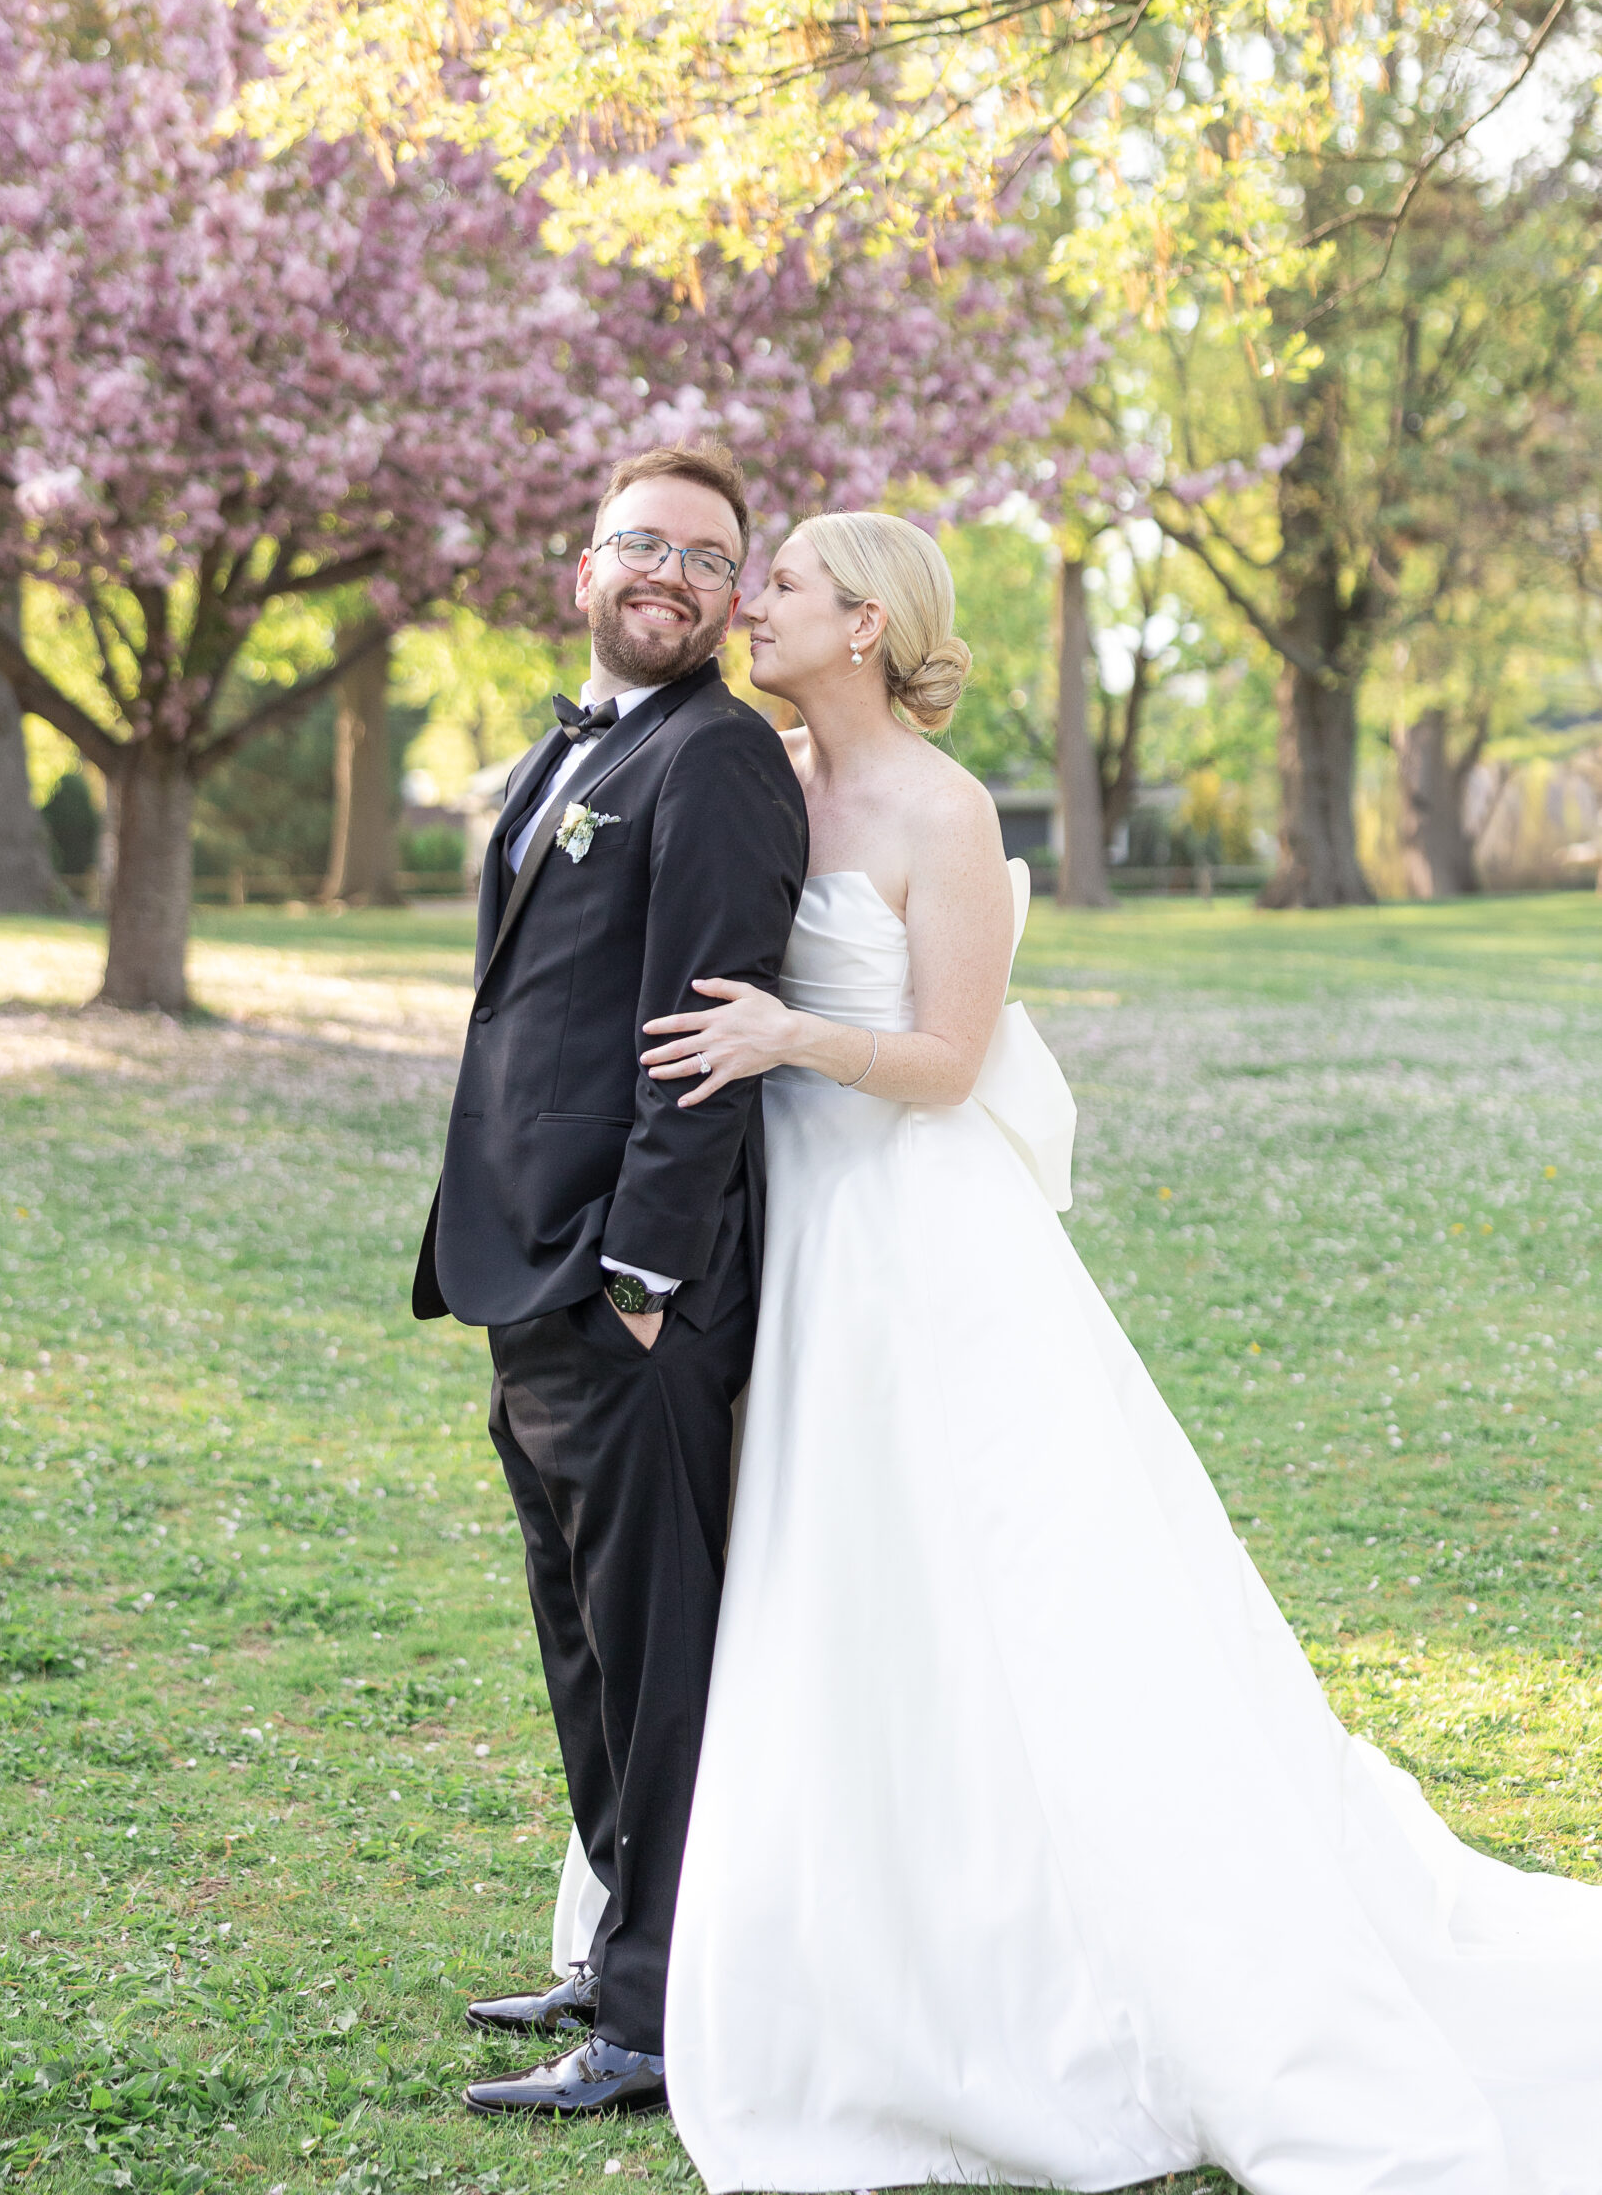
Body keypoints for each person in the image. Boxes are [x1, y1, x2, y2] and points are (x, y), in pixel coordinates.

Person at [623, 511, 1602, 2194]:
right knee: (849, 1576)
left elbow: (948, 1057)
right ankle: (862, 1932)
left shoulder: (941, 808)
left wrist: (790, 1033)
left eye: (776, 581)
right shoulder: (754, 770)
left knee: (1019, 1588)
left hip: (922, 1238)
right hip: (803, 1240)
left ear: (863, 622)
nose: (746, 602)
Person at [412, 439, 807, 2121]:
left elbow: (705, 1038)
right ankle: (617, 1939)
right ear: (582, 569)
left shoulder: (714, 762)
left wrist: (638, 1270)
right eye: (642, 543)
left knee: (655, 1657)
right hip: (524, 1271)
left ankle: (656, 2019)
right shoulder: (576, 748)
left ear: (730, 602)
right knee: (580, 1639)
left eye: (711, 560)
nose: (673, 574)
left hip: (628, 1290)